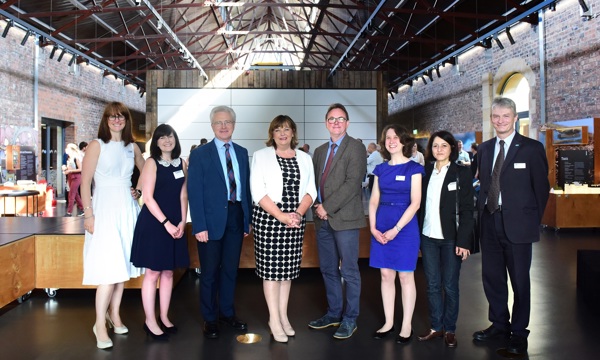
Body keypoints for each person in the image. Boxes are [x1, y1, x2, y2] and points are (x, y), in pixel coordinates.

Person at [472, 97, 549, 355]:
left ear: (515, 118)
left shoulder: (531, 148)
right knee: (492, 278)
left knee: (519, 280)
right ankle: (499, 324)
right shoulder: (483, 149)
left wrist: (530, 220)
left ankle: (518, 332)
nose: (500, 121)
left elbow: (541, 189)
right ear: (491, 118)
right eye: (496, 116)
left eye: (506, 116)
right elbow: (482, 185)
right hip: (489, 221)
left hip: (518, 225)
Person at [80, 102, 145, 349]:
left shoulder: (132, 147)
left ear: (127, 121)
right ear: (106, 120)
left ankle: (114, 314)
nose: (117, 121)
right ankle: (99, 323)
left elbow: (147, 170)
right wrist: (88, 215)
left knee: (121, 268)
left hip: (127, 210)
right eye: (112, 117)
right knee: (108, 270)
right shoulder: (97, 145)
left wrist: (138, 190)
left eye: (121, 117)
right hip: (103, 210)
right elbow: (85, 183)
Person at [187, 105, 252, 339]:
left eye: (228, 122)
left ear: (234, 125)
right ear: (212, 126)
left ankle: (227, 313)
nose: (223, 126)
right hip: (210, 221)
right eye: (219, 122)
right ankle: (210, 318)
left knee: (230, 271)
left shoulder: (242, 152)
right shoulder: (200, 154)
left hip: (236, 217)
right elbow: (194, 192)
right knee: (210, 272)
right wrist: (199, 225)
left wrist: (247, 220)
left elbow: (246, 187)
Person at [250, 115, 317, 343]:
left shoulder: (305, 158)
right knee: (271, 272)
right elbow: (257, 191)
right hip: (269, 220)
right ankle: (273, 319)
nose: (282, 133)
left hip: (295, 220)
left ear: (293, 133)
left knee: (287, 273)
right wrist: (281, 216)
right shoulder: (261, 156)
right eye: (277, 129)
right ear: (272, 134)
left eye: (286, 129)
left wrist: (297, 214)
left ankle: (283, 316)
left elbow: (311, 190)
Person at [308, 103, 366, 340]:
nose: (335, 122)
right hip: (322, 221)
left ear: (347, 123)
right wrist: (315, 207)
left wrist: (326, 208)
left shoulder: (356, 148)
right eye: (331, 119)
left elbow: (352, 184)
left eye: (340, 119)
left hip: (345, 220)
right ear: (326, 123)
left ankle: (350, 319)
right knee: (328, 270)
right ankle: (333, 314)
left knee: (350, 271)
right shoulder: (320, 151)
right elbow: (313, 183)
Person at [131, 124, 189, 341]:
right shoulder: (151, 163)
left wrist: (182, 221)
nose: (167, 140)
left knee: (168, 273)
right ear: (156, 142)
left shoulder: (182, 163)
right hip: (155, 223)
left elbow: (184, 196)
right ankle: (150, 320)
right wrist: (166, 223)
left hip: (175, 223)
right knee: (153, 273)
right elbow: (147, 197)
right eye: (162, 137)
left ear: (175, 139)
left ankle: (164, 316)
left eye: (170, 136)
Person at [417, 130, 475, 347]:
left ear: (452, 148)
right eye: (435, 146)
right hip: (428, 236)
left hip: (451, 238)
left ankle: (450, 329)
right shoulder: (425, 171)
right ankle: (436, 327)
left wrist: (463, 241)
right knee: (432, 285)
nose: (439, 150)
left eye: (443, 146)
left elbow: (468, 210)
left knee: (450, 286)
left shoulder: (462, 173)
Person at [368, 124, 424, 344]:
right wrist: (373, 227)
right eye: (388, 138)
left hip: (405, 227)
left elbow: (416, 203)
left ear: (404, 141)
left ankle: (406, 325)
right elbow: (373, 200)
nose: (391, 141)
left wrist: (396, 229)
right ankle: (389, 322)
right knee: (385, 275)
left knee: (405, 276)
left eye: (395, 137)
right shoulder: (380, 169)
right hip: (381, 225)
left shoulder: (414, 168)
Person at [63, 143, 84, 216]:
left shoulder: (76, 158)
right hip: (70, 177)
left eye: (67, 148)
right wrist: (65, 169)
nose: (66, 149)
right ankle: (82, 208)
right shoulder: (69, 158)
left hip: (76, 177)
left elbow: (80, 169)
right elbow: (70, 168)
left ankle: (69, 212)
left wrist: (70, 171)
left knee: (71, 194)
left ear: (71, 149)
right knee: (76, 195)